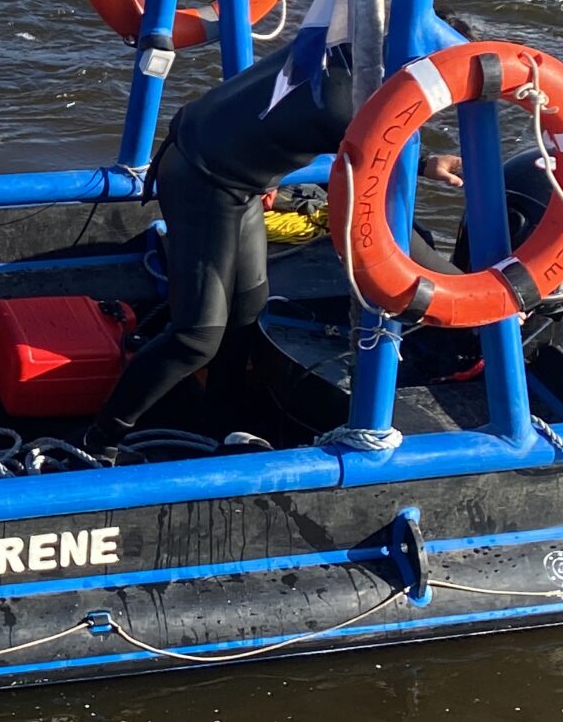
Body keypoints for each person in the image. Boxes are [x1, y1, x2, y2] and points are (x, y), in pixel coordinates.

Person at [82, 36, 462, 454]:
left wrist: (426, 163)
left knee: (247, 308)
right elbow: (383, 221)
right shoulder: (346, 103)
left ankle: (222, 423)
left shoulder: (343, 47)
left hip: (233, 175)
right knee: (196, 337)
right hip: (202, 181)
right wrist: (467, 295)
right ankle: (100, 440)